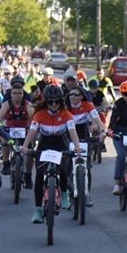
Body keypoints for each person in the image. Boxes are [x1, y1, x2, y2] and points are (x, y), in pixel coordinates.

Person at [19, 84, 83, 223]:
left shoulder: (67, 114)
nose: (54, 105)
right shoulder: (39, 114)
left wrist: (77, 147)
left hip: (61, 142)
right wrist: (25, 146)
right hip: (45, 144)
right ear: (45, 101)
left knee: (63, 170)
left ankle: (65, 194)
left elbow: (72, 132)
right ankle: (37, 210)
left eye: (57, 101)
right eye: (50, 102)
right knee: (40, 175)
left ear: (61, 101)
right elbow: (32, 132)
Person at [0, 81, 36, 190]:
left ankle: (28, 175)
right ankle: (6, 163)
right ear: (11, 94)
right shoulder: (7, 104)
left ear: (23, 94)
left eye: (20, 93)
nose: (17, 95)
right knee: (4, 139)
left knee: (30, 151)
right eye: (15, 93)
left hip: (25, 129)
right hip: (10, 129)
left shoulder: (28, 104)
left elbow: (33, 117)